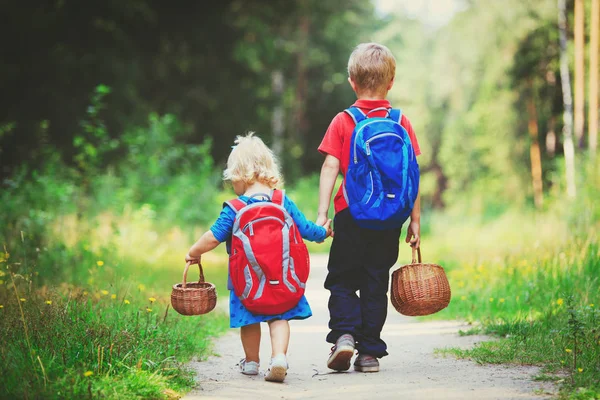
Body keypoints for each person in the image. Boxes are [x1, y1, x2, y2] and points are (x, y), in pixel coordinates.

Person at [185, 133, 332, 383]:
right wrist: (323, 232)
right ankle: (279, 358)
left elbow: (214, 236)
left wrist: (193, 252)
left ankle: (251, 362)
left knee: (249, 319)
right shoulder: (282, 200)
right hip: (282, 278)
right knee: (280, 316)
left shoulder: (235, 208)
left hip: (246, 282)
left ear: (239, 175)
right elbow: (306, 229)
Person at [316, 42, 422, 373]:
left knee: (342, 279)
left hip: (351, 213)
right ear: (391, 82)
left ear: (351, 81)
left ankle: (345, 336)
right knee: (376, 282)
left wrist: (323, 214)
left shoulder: (344, 120)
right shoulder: (401, 120)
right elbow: (412, 175)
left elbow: (331, 167)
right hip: (389, 219)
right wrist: (415, 221)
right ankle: (370, 353)